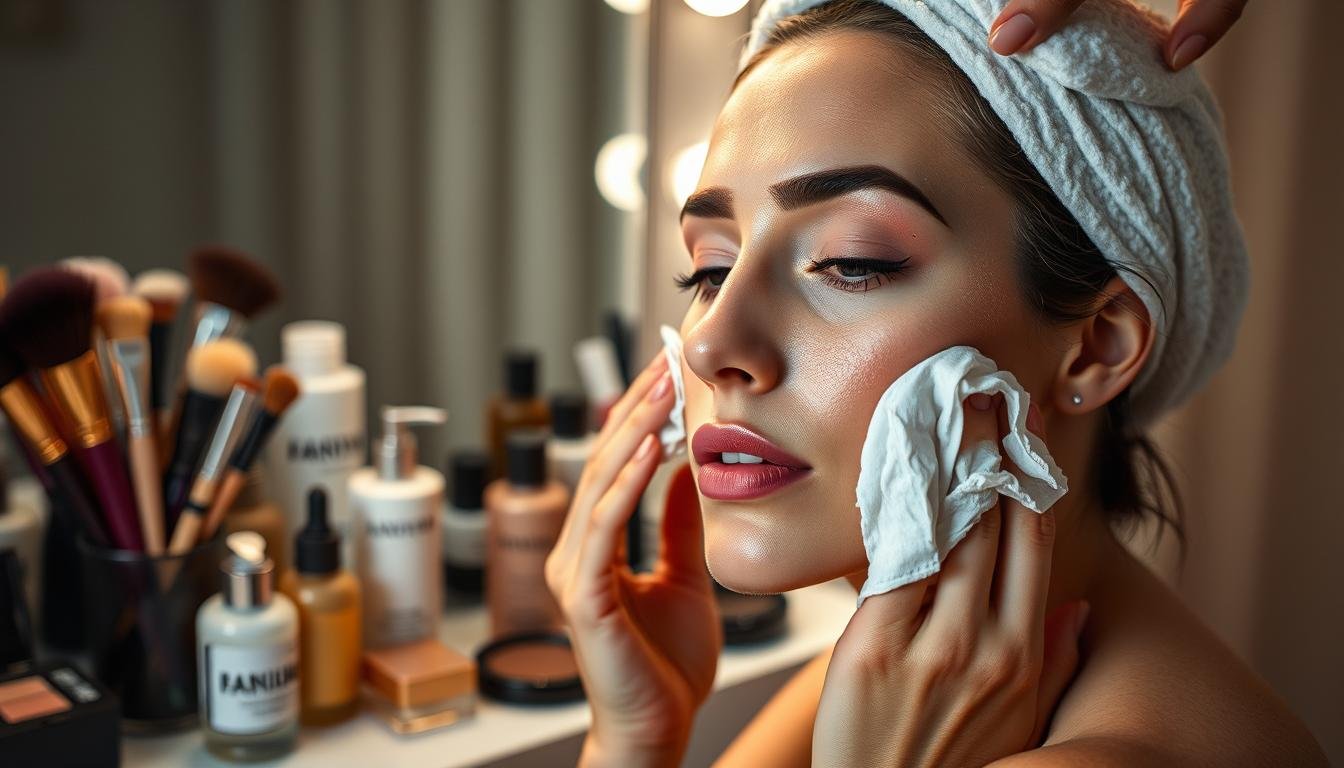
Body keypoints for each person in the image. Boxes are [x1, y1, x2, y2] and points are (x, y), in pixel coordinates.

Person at [546, 0, 1325, 765]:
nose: (712, 340)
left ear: (1095, 345)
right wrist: (636, 739)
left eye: (852, 262)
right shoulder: (912, 671)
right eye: (710, 269)